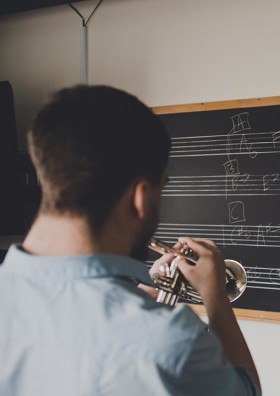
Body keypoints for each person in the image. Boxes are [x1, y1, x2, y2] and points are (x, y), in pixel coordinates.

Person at [0, 85, 261, 395]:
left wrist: (137, 290)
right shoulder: (172, 341)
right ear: (140, 197)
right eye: (161, 188)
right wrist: (215, 297)